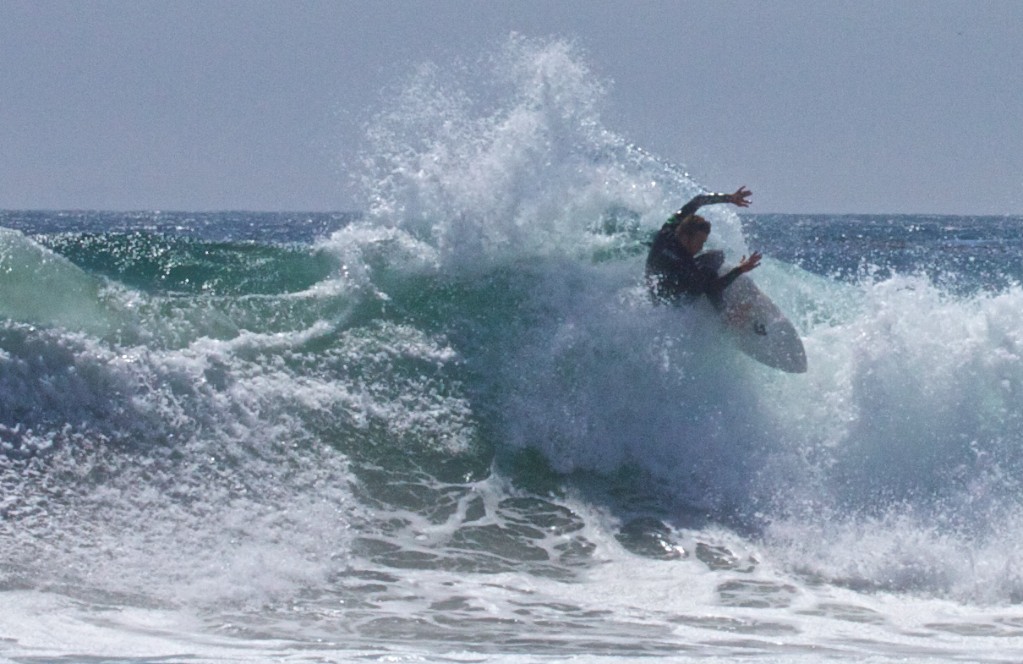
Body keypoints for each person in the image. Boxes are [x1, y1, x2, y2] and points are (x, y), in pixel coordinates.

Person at [645, 186, 762, 308]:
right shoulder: (688, 267)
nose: (700, 247)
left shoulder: (665, 233)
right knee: (715, 260)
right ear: (685, 237)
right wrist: (740, 270)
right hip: (677, 299)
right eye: (700, 242)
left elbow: (698, 201)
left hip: (658, 294)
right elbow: (714, 288)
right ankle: (724, 313)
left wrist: (729, 198)